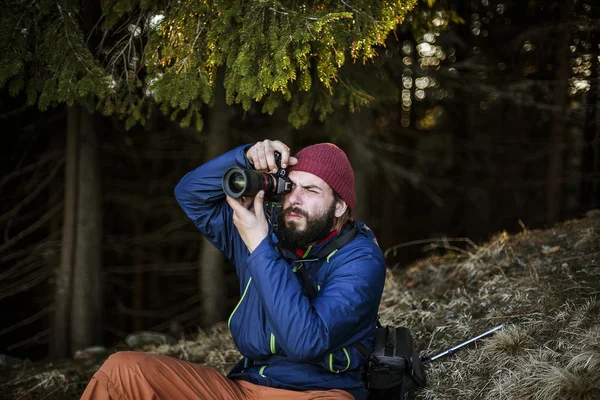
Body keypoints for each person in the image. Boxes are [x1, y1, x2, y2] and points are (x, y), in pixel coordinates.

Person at [80, 140, 386, 400]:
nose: (295, 199)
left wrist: (260, 246)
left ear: (340, 206)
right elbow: (191, 193)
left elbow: (305, 341)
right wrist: (246, 155)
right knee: (121, 372)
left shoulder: (360, 259)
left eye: (312, 190)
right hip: (244, 389)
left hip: (320, 393)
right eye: (291, 186)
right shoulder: (266, 230)